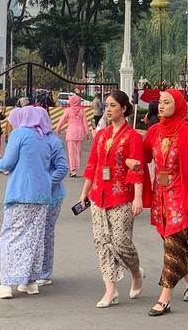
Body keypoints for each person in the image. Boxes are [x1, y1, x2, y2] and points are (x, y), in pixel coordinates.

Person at [141, 89, 188, 317]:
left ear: (178, 106)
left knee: (173, 245)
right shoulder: (154, 131)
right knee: (175, 244)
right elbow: (144, 155)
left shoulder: (186, 132)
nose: (161, 106)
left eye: (167, 102)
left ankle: (164, 297)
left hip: (180, 197)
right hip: (160, 198)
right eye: (160, 103)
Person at [0, 106, 68, 299]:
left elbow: (7, 162)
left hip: (21, 193)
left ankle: (6, 283)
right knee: (34, 238)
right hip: (42, 196)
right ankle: (30, 281)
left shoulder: (20, 134)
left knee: (11, 236)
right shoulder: (46, 138)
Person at [78, 90, 145, 308]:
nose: (108, 109)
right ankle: (110, 289)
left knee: (121, 242)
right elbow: (92, 165)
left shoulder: (133, 137)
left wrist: (137, 198)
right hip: (99, 194)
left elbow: (137, 169)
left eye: (113, 105)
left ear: (124, 108)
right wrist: (85, 192)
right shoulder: (101, 135)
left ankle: (136, 272)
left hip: (121, 196)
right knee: (102, 242)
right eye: (106, 105)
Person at [37, 107, 68, 287]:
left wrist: (46, 182)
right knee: (36, 234)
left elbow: (62, 168)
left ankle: (46, 272)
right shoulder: (34, 139)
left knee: (46, 234)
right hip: (36, 196)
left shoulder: (53, 141)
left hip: (52, 196)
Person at [56, 94, 91, 177]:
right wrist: (88, 133)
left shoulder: (68, 110)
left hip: (71, 132)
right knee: (78, 152)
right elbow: (85, 123)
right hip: (80, 133)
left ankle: (73, 170)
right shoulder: (82, 111)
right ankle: (76, 166)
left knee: (71, 152)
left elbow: (62, 120)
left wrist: (58, 129)